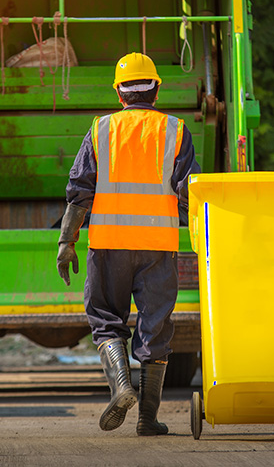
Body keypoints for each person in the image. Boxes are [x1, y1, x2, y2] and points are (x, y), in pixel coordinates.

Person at [56, 52, 199, 436]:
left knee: (106, 321)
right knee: (155, 328)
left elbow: (79, 190)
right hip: (158, 245)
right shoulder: (176, 130)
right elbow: (190, 191)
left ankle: (121, 387)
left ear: (119, 93)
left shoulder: (101, 130)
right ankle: (147, 419)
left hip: (108, 245)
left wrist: (66, 241)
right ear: (156, 89)